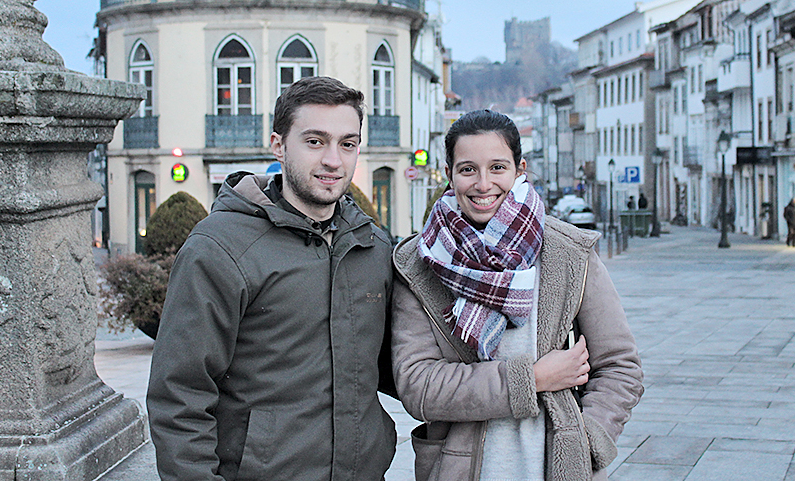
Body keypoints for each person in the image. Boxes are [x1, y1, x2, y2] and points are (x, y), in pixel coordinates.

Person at [147, 76, 397, 481]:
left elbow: (396, 366)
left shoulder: (372, 246)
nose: (333, 160)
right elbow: (179, 395)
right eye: (315, 141)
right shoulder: (218, 248)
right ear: (278, 145)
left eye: (347, 144)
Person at [391, 110, 643, 481]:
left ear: (519, 170)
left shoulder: (568, 253)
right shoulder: (421, 262)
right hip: (460, 469)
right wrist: (532, 379)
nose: (483, 184)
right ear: (449, 174)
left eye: (497, 168)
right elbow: (419, 387)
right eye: (468, 169)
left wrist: (586, 442)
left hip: (556, 469)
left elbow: (620, 365)